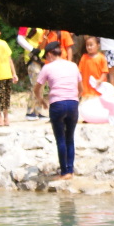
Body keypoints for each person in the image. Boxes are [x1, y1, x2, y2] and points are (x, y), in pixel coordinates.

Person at [34, 41, 82, 179]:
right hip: (73, 103)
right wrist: (74, 98)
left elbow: (37, 88)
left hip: (57, 105)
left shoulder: (47, 68)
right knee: (70, 138)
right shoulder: (73, 65)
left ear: (49, 54)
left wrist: (41, 100)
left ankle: (64, 171)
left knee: (60, 138)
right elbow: (81, 88)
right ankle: (70, 170)